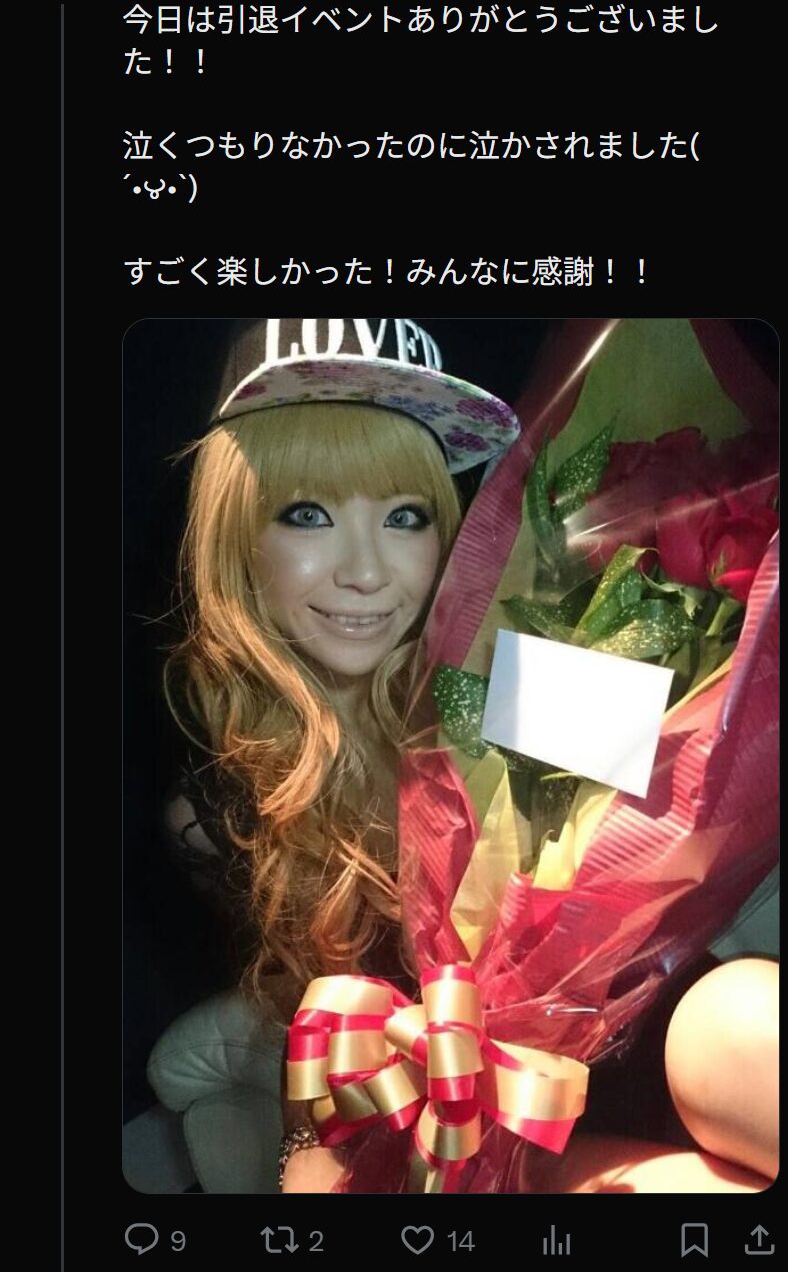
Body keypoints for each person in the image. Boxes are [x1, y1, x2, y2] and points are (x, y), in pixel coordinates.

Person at [156, 318, 777, 1195]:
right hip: (465, 1118)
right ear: (236, 532)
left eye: (404, 515)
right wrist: (312, 1149)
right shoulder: (226, 812)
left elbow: (678, 827)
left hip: (641, 1035)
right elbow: (318, 1031)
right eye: (308, 513)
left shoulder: (503, 667)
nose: (366, 570)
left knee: (740, 1020)